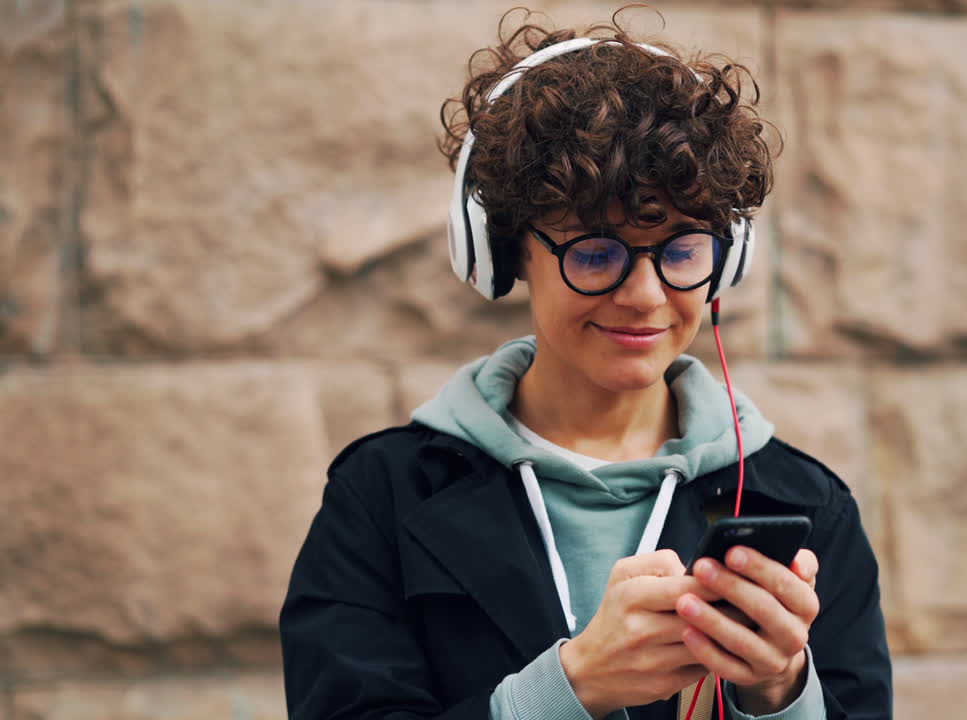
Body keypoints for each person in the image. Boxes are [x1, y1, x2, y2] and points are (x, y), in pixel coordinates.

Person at [280, 8, 892, 720]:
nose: (645, 296)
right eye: (595, 253)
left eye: (682, 252)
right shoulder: (381, 496)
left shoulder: (807, 506)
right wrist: (570, 689)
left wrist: (782, 693)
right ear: (509, 254)